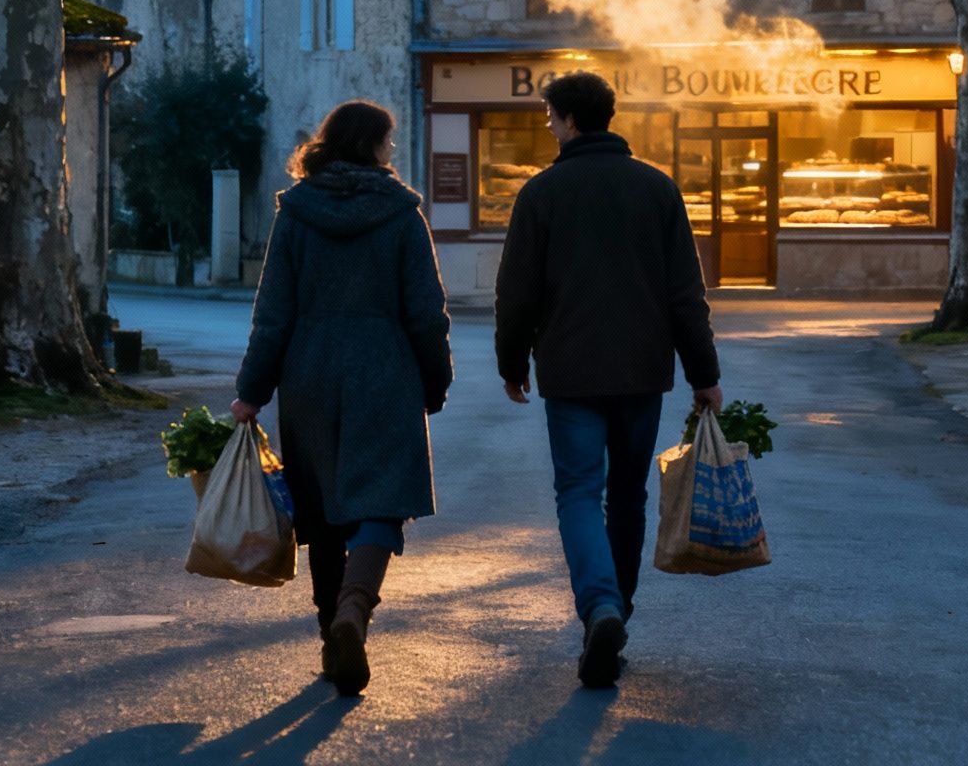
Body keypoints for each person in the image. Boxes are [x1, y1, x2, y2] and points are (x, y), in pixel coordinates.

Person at [495, 71, 723, 689]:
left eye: (549, 118)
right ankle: (617, 613)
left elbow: (516, 293)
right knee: (628, 496)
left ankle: (599, 608)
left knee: (577, 493)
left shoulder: (541, 194)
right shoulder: (657, 188)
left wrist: (512, 363)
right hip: (641, 372)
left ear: (568, 120)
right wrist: (704, 374)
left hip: (570, 372)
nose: (548, 127)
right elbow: (685, 294)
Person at [232, 100, 453, 697]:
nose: (392, 151)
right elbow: (428, 314)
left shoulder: (296, 214)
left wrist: (251, 392)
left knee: (325, 512)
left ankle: (332, 630)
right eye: (389, 141)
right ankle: (355, 612)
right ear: (374, 145)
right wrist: (435, 381)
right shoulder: (402, 214)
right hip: (386, 372)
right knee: (380, 503)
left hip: (310, 374)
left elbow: (272, 314)